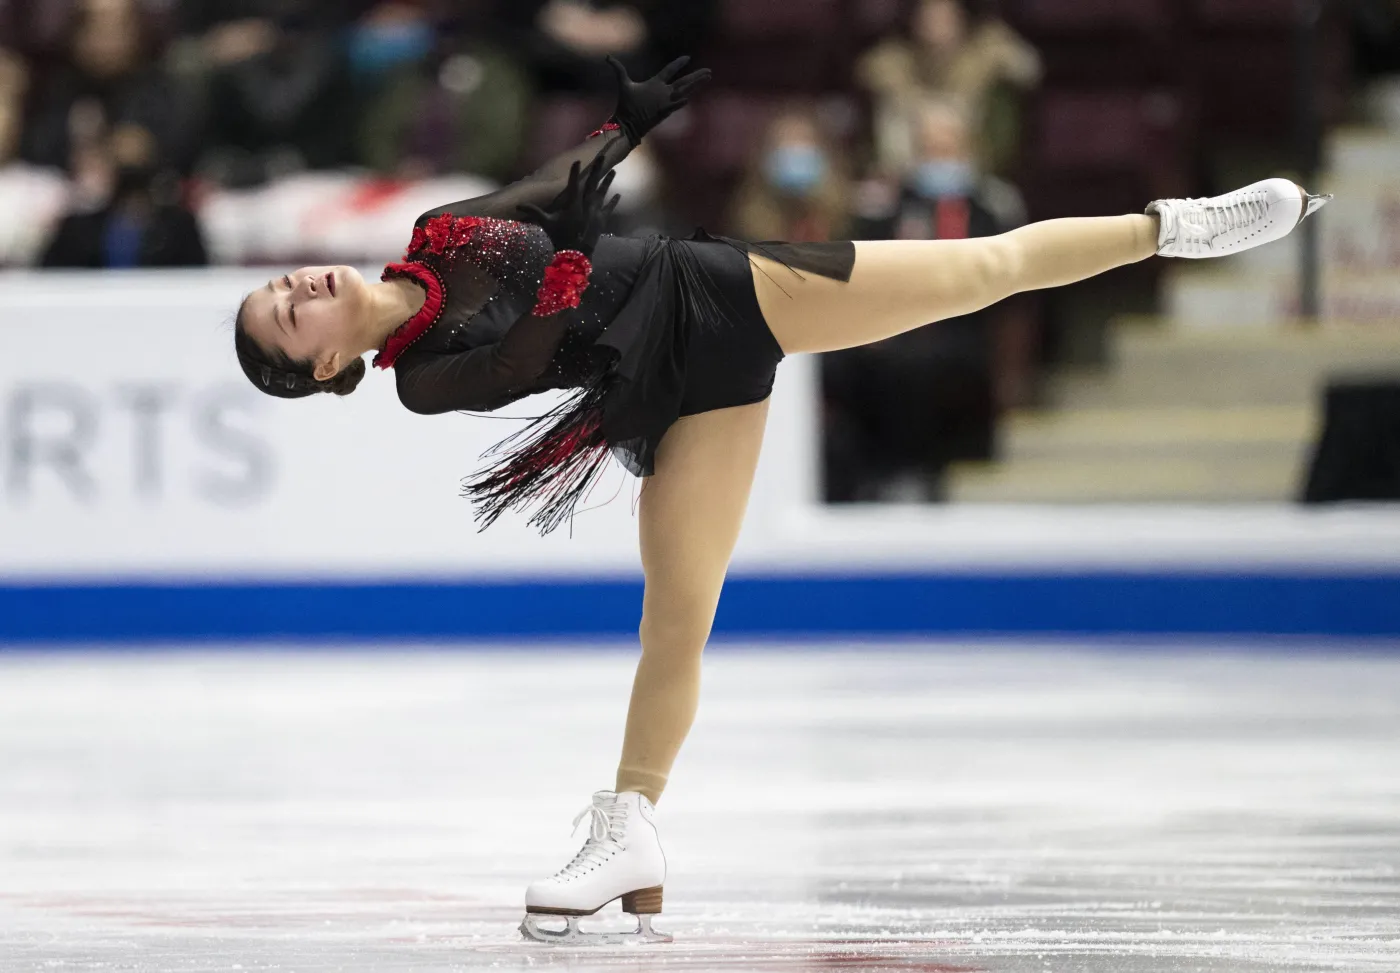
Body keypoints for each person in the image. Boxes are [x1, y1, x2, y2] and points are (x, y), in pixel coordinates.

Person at [229, 56, 1330, 943]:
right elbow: (520, 356)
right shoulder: (422, 381)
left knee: (976, 270)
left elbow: (543, 194)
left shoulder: (434, 234)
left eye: (279, 284)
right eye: (287, 318)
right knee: (678, 618)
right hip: (664, 394)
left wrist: (623, 130)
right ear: (326, 372)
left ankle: (1172, 227)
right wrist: (563, 267)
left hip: (713, 295)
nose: (297, 290)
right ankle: (631, 831)